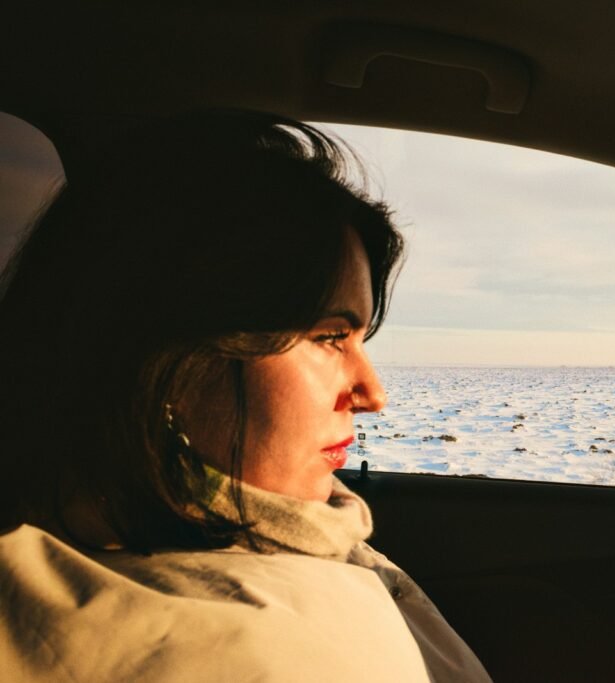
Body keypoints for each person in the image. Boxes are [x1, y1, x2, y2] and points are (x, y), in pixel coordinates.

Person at [0, 110, 491, 682]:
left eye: (360, 338)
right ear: (168, 357)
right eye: (330, 337)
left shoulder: (261, 530)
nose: (372, 393)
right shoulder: (252, 649)